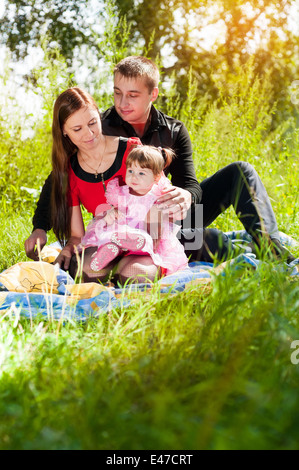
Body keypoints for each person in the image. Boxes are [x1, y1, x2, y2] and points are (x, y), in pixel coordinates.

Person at [25, 56, 295, 265]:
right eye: (117, 92)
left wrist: (186, 197)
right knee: (199, 241)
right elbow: (61, 176)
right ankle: (229, 247)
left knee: (240, 172)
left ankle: (269, 245)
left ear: (152, 95)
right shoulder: (97, 127)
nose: (122, 103)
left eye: (132, 95)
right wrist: (40, 226)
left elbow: (190, 184)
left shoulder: (174, 130)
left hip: (170, 212)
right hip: (132, 226)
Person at [79, 145, 188, 276]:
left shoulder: (157, 198)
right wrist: (111, 214)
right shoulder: (120, 192)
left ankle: (133, 243)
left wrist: (157, 218)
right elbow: (113, 211)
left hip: (146, 239)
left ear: (156, 177)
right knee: (110, 235)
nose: (134, 177)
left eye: (141, 173)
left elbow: (160, 230)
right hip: (121, 232)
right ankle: (109, 251)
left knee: (145, 239)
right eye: (130, 171)